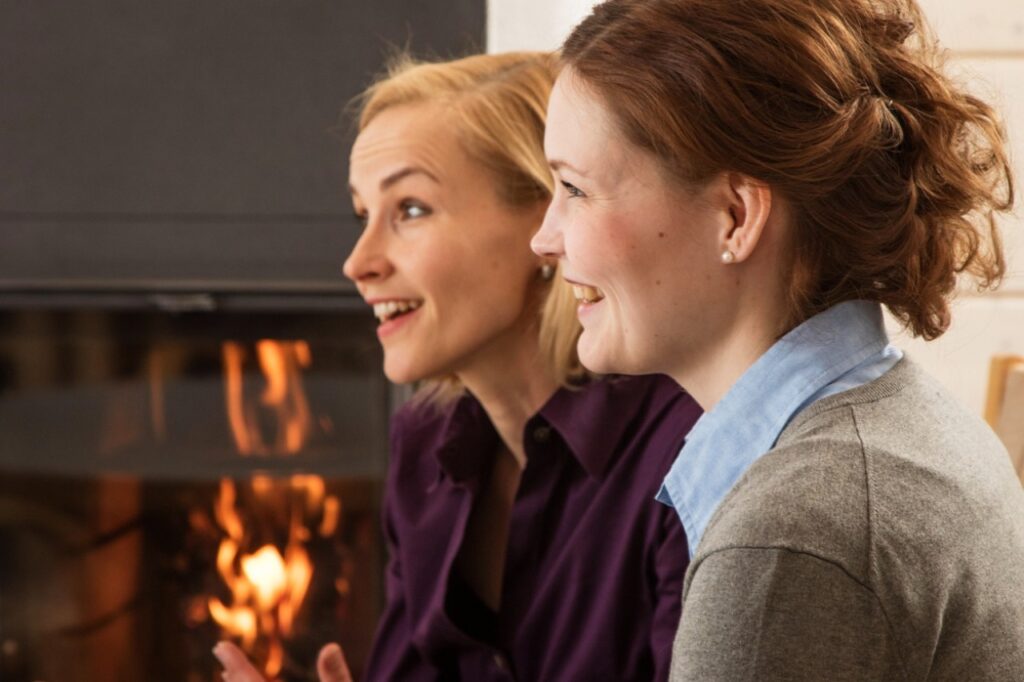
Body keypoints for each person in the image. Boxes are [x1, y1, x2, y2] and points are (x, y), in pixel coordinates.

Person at [530, 0, 1024, 679]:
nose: (544, 239)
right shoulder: (905, 427)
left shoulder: (793, 532)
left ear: (735, 217)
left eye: (574, 189)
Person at [215, 51, 701, 681]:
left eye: (411, 210)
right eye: (363, 215)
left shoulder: (684, 452)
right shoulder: (424, 448)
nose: (358, 263)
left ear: (547, 218)